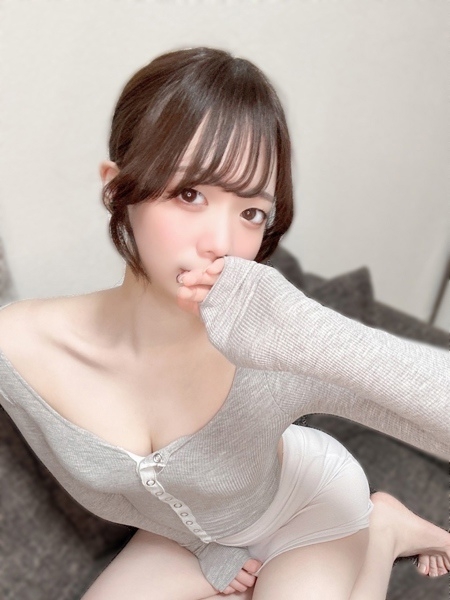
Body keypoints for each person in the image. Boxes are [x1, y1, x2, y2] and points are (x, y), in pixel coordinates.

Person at [0, 47, 448, 600]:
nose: (223, 243)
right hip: (189, 537)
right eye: (190, 194)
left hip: (309, 507)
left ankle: (381, 531)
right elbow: (114, 490)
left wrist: (309, 335)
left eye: (251, 213)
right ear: (117, 189)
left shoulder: (271, 350)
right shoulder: (19, 349)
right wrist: (207, 547)